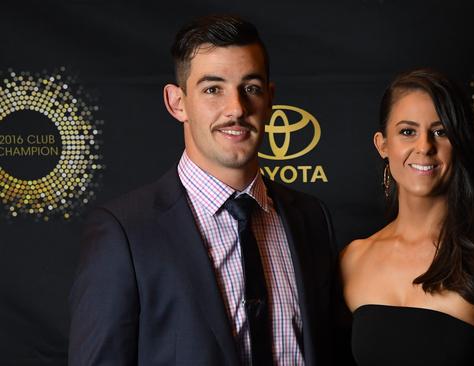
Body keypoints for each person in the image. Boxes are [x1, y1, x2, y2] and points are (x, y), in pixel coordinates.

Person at [69, 15, 343, 366]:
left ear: (270, 98)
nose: (236, 109)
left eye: (251, 88)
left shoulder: (310, 218)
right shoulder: (124, 232)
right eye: (213, 89)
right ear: (177, 102)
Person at [340, 69, 474, 366]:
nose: (424, 147)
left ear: (460, 143)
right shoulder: (353, 258)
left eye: (441, 132)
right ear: (382, 144)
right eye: (407, 132)